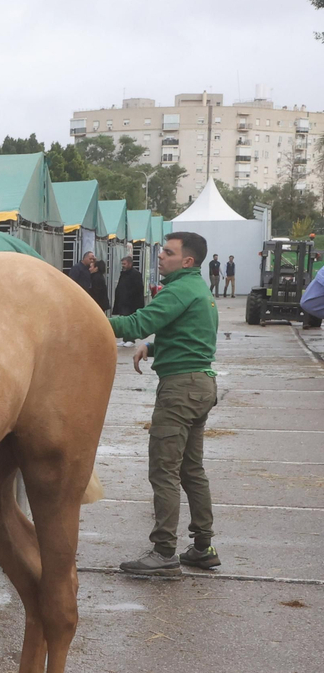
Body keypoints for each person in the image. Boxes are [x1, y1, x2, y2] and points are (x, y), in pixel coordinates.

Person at [106, 231, 221, 575]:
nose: (160, 257)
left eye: (168, 253)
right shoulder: (198, 289)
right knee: (191, 470)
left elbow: (137, 323)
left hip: (181, 390)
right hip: (200, 385)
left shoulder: (180, 289)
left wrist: (86, 317)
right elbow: (193, 336)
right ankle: (203, 547)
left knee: (164, 471)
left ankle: (164, 552)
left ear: (187, 261)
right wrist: (154, 347)